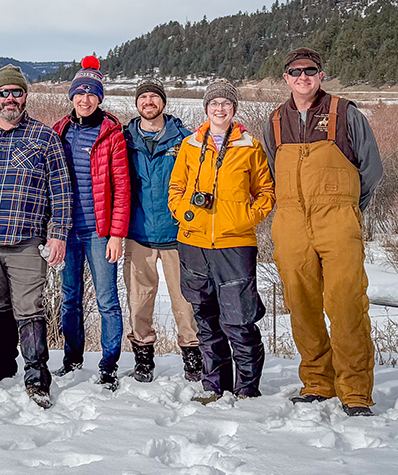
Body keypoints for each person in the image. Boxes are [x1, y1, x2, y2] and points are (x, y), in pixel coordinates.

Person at [262, 48, 383, 417]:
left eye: (310, 70)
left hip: (338, 221)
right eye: (296, 72)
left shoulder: (346, 113)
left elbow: (371, 170)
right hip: (291, 224)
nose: (303, 77)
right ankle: (317, 382)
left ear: (321, 75)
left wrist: (347, 208)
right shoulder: (275, 121)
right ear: (286, 78)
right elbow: (271, 172)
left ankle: (355, 391)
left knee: (346, 304)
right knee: (302, 306)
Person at [0, 64, 72, 409]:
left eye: (17, 92)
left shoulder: (45, 138)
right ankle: (2, 366)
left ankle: (37, 375)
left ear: (25, 96)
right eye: (4, 92)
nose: (10, 98)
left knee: (28, 307)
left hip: (26, 240)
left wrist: (58, 235)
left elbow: (61, 191)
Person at [168, 81, 274, 403]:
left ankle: (247, 389)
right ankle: (215, 386)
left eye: (226, 103)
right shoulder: (189, 145)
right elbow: (176, 189)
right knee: (205, 319)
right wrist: (186, 214)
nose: (219, 109)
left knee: (239, 320)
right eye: (214, 103)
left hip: (235, 244)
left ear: (234, 109)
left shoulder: (249, 146)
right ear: (206, 108)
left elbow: (266, 192)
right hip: (194, 243)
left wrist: (244, 218)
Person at [51, 56, 129, 391]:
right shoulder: (60, 131)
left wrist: (116, 234)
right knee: (70, 298)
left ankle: (109, 364)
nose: (85, 99)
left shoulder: (111, 133)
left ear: (100, 98)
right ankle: (72, 359)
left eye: (91, 94)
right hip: (66, 231)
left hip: (100, 231)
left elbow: (122, 187)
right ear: (72, 96)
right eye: (80, 93)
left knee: (107, 300)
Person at [122, 78, 202, 383]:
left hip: (177, 233)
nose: (148, 102)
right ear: (137, 103)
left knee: (185, 301)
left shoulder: (185, 140)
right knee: (139, 300)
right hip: (138, 232)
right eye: (143, 97)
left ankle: (193, 359)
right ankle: (143, 360)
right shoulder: (125, 139)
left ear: (163, 102)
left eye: (154, 97)